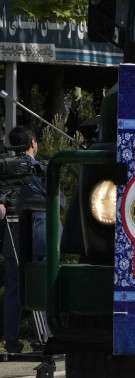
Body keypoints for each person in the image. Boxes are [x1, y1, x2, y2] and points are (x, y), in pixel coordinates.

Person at [2, 126, 47, 356]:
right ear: (32, 142)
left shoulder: (4, 169)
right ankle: (44, 342)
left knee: (13, 288)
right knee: (39, 284)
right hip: (37, 230)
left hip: (11, 232)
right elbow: (54, 202)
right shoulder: (38, 169)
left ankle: (12, 345)